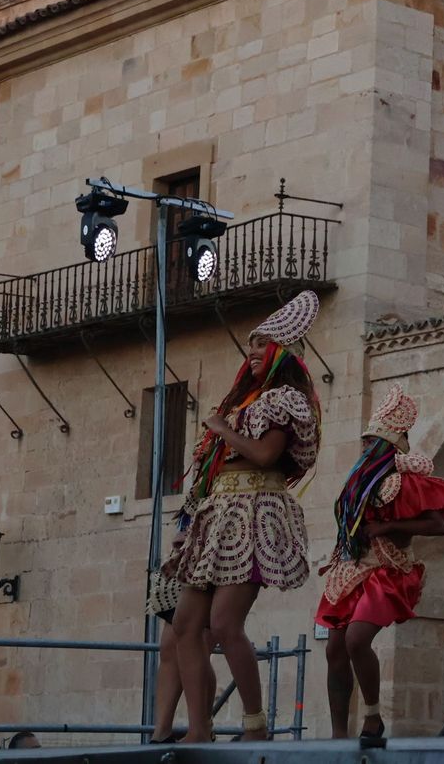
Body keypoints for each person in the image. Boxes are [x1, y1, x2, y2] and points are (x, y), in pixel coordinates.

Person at [164, 291, 322, 742]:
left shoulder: (285, 399)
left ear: (282, 354)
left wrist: (221, 429)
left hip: (253, 513)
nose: (251, 352)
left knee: (225, 624)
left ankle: (255, 726)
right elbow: (213, 472)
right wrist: (191, 524)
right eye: (251, 345)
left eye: (261, 345)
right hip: (218, 515)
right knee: (185, 626)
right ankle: (200, 728)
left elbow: (266, 455)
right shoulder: (246, 402)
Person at [316, 384, 444, 748]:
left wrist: (387, 527)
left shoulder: (403, 481)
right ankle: (337, 732)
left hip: (387, 570)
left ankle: (373, 715)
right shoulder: (358, 481)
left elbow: (437, 526)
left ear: (385, 445)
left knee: (356, 639)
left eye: (371, 441)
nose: (364, 446)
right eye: (364, 440)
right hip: (351, 567)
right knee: (334, 648)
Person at [145, 571, 214, 744]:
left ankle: (201, 730)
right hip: (187, 564)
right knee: (169, 645)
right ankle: (161, 732)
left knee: (199, 644)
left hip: (213, 564)